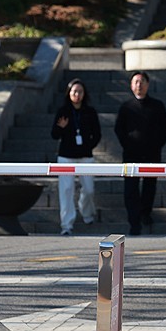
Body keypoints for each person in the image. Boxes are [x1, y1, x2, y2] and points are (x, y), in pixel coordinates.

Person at [114, 71, 166, 235]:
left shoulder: (157, 105)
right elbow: (119, 129)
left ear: (147, 84)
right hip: (131, 155)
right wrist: (128, 145)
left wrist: (157, 145)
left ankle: (146, 213)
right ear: (131, 85)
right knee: (130, 188)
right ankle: (134, 221)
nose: (139, 85)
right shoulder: (126, 107)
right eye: (136, 82)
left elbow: (165, 128)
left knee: (149, 186)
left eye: (142, 81)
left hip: (152, 154)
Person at [51, 78, 101, 235]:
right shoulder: (63, 111)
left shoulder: (90, 112)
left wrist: (88, 146)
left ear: (84, 94)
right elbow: (54, 135)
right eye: (74, 92)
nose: (77, 95)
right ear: (69, 93)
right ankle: (66, 225)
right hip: (66, 156)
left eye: (80, 92)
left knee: (89, 189)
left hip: (85, 156)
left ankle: (86, 213)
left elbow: (97, 134)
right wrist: (61, 127)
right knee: (66, 190)